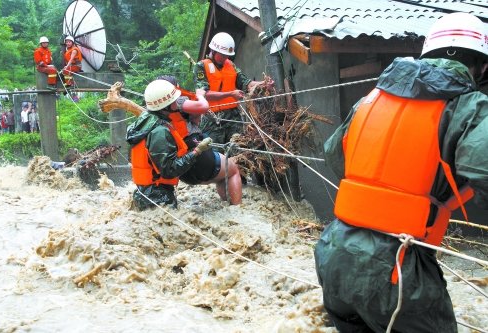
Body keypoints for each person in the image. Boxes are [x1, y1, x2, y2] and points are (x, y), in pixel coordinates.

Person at [314, 12, 488, 333]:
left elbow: (335, 156)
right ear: (483, 66)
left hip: (334, 252)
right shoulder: (470, 105)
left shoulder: (372, 98)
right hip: (396, 270)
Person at [126, 79, 213, 210]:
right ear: (165, 105)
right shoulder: (159, 132)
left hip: (145, 193)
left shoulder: (145, 122)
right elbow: (169, 170)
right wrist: (197, 151)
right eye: (173, 100)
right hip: (158, 196)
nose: (176, 102)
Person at [157, 75, 242, 204]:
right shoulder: (178, 102)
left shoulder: (153, 113)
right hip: (200, 161)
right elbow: (203, 107)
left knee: (223, 169)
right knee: (233, 169)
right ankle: (237, 209)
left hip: (181, 170)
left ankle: (227, 203)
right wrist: (200, 95)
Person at [193, 32, 273, 145]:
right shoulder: (201, 67)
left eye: (227, 55)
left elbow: (246, 83)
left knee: (239, 150)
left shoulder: (230, 65)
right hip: (212, 120)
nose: (226, 57)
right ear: (214, 51)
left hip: (233, 118)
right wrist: (230, 94)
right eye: (223, 55)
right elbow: (204, 94)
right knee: (217, 154)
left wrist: (263, 84)